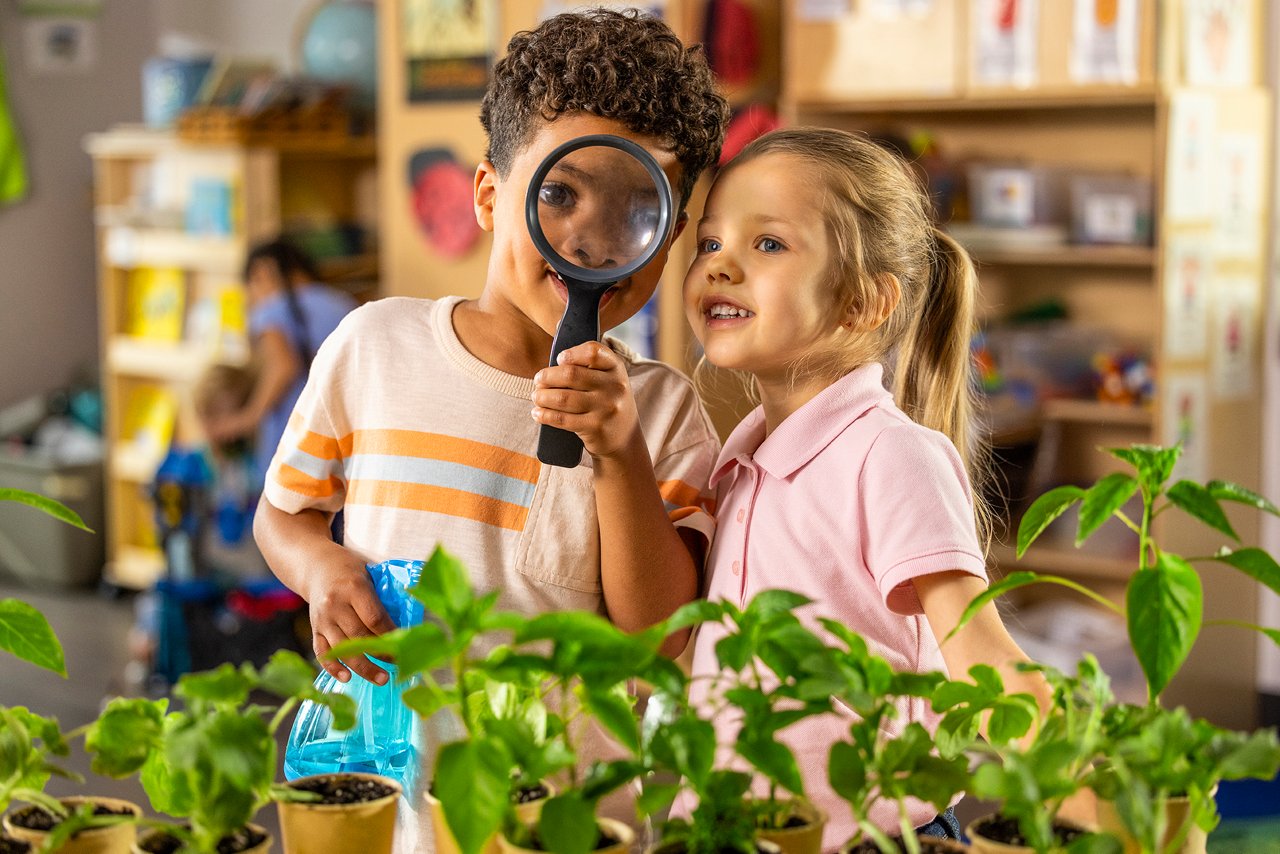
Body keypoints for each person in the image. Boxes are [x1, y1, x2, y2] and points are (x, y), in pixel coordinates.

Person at [253, 8, 728, 849]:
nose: (589, 234)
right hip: (390, 802)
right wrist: (322, 568)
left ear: (670, 238)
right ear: (485, 195)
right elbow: (283, 514)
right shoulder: (374, 347)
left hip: (574, 815)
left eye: (633, 210)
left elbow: (661, 642)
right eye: (559, 194)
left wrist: (618, 456)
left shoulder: (662, 411)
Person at [679, 127, 1052, 847]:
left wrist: (1091, 779)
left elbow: (987, 658)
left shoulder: (892, 457)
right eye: (710, 242)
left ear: (863, 302)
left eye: (768, 245)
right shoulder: (735, 461)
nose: (720, 267)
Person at [203, 239, 357, 483]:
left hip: (297, 440)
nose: (252, 297)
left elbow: (284, 366)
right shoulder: (343, 304)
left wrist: (247, 418)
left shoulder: (273, 311)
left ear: (264, 271)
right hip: (347, 434)